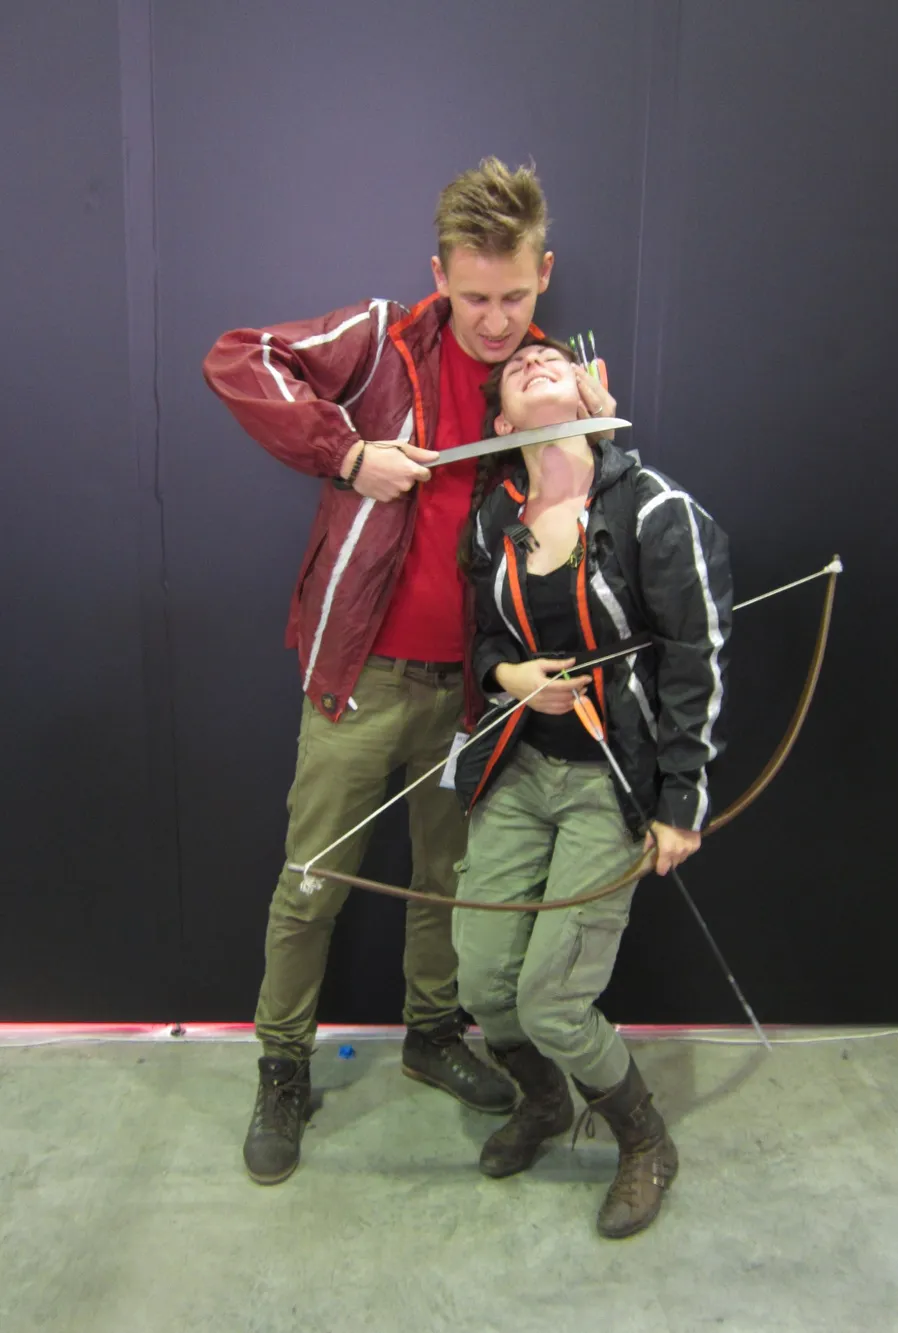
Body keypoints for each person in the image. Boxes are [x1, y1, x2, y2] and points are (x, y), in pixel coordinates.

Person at [203, 160, 618, 1186]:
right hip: (363, 676)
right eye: (474, 297)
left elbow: (593, 521)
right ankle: (282, 1065)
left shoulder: (549, 376)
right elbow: (239, 357)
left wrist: (592, 431)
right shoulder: (384, 338)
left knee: (449, 885)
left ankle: (434, 1034)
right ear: (439, 276)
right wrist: (348, 455)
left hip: (479, 689)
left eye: (513, 296)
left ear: (544, 273)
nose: (495, 320)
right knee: (313, 879)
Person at [452, 336, 732, 1238]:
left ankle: (644, 1140)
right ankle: (542, 1102)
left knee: (552, 1000)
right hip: (517, 770)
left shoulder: (656, 511)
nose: (534, 361)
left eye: (550, 359)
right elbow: (483, 642)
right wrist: (511, 678)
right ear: (502, 421)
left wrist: (680, 802)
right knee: (483, 981)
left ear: (589, 390)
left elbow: (696, 662)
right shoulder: (491, 521)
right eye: (516, 369)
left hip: (609, 785)